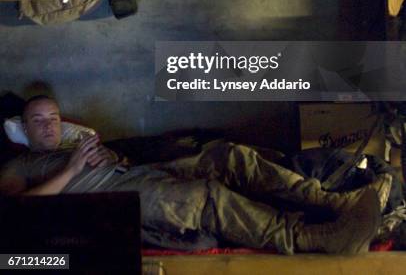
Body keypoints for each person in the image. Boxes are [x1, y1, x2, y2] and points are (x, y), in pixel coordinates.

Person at [0, 95, 392, 255]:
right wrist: (72, 170)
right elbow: (17, 214)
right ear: (25, 128)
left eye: (54, 118)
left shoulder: (74, 144)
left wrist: (106, 154)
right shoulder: (19, 167)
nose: (49, 126)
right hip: (122, 202)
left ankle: (327, 201)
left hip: (136, 173)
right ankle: (314, 238)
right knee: (206, 199)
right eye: (39, 121)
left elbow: (119, 161)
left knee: (228, 156)